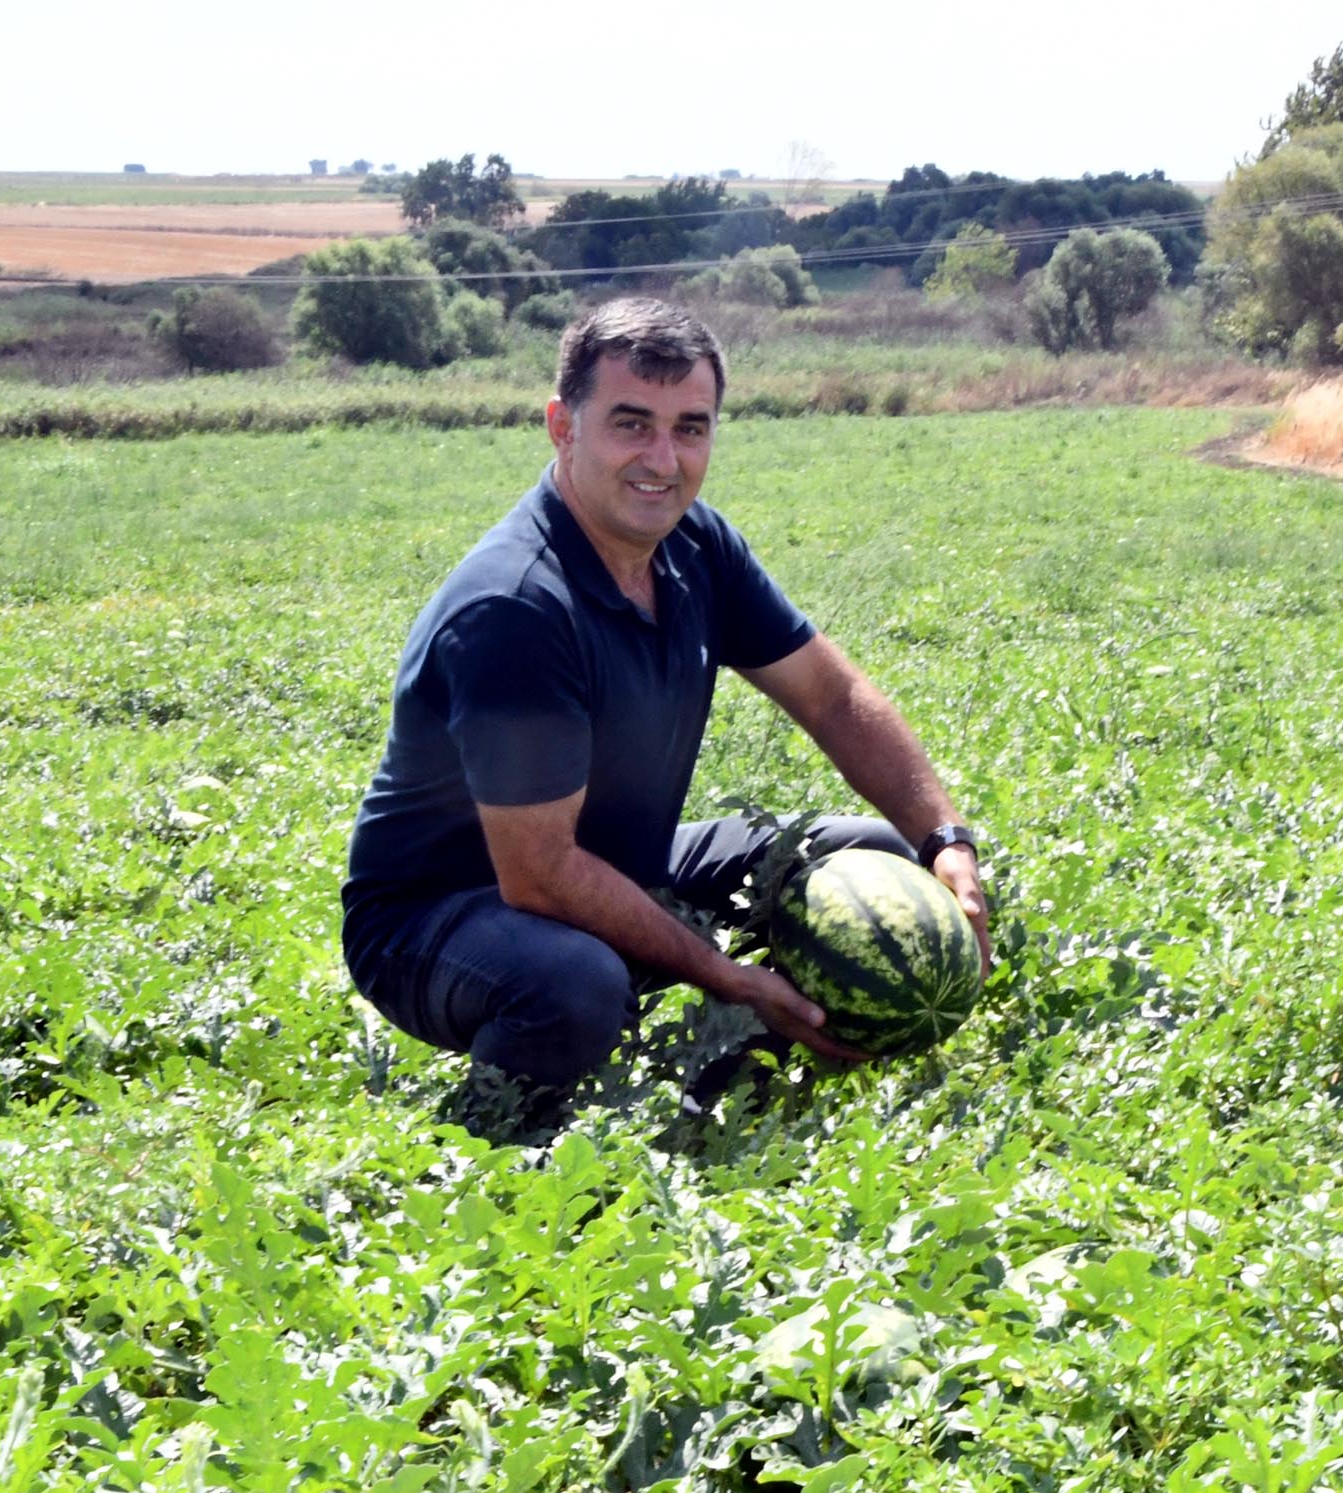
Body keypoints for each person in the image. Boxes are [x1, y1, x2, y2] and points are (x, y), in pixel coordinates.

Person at [341, 295, 989, 1136]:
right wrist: (725, 973)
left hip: (617, 862)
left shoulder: (697, 547)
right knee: (573, 983)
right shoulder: (515, 608)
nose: (663, 459)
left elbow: (833, 697)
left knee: (869, 854)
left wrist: (945, 842)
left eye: (691, 427)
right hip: (437, 916)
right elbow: (536, 875)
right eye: (631, 423)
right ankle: (491, 1140)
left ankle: (734, 1069)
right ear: (561, 427)